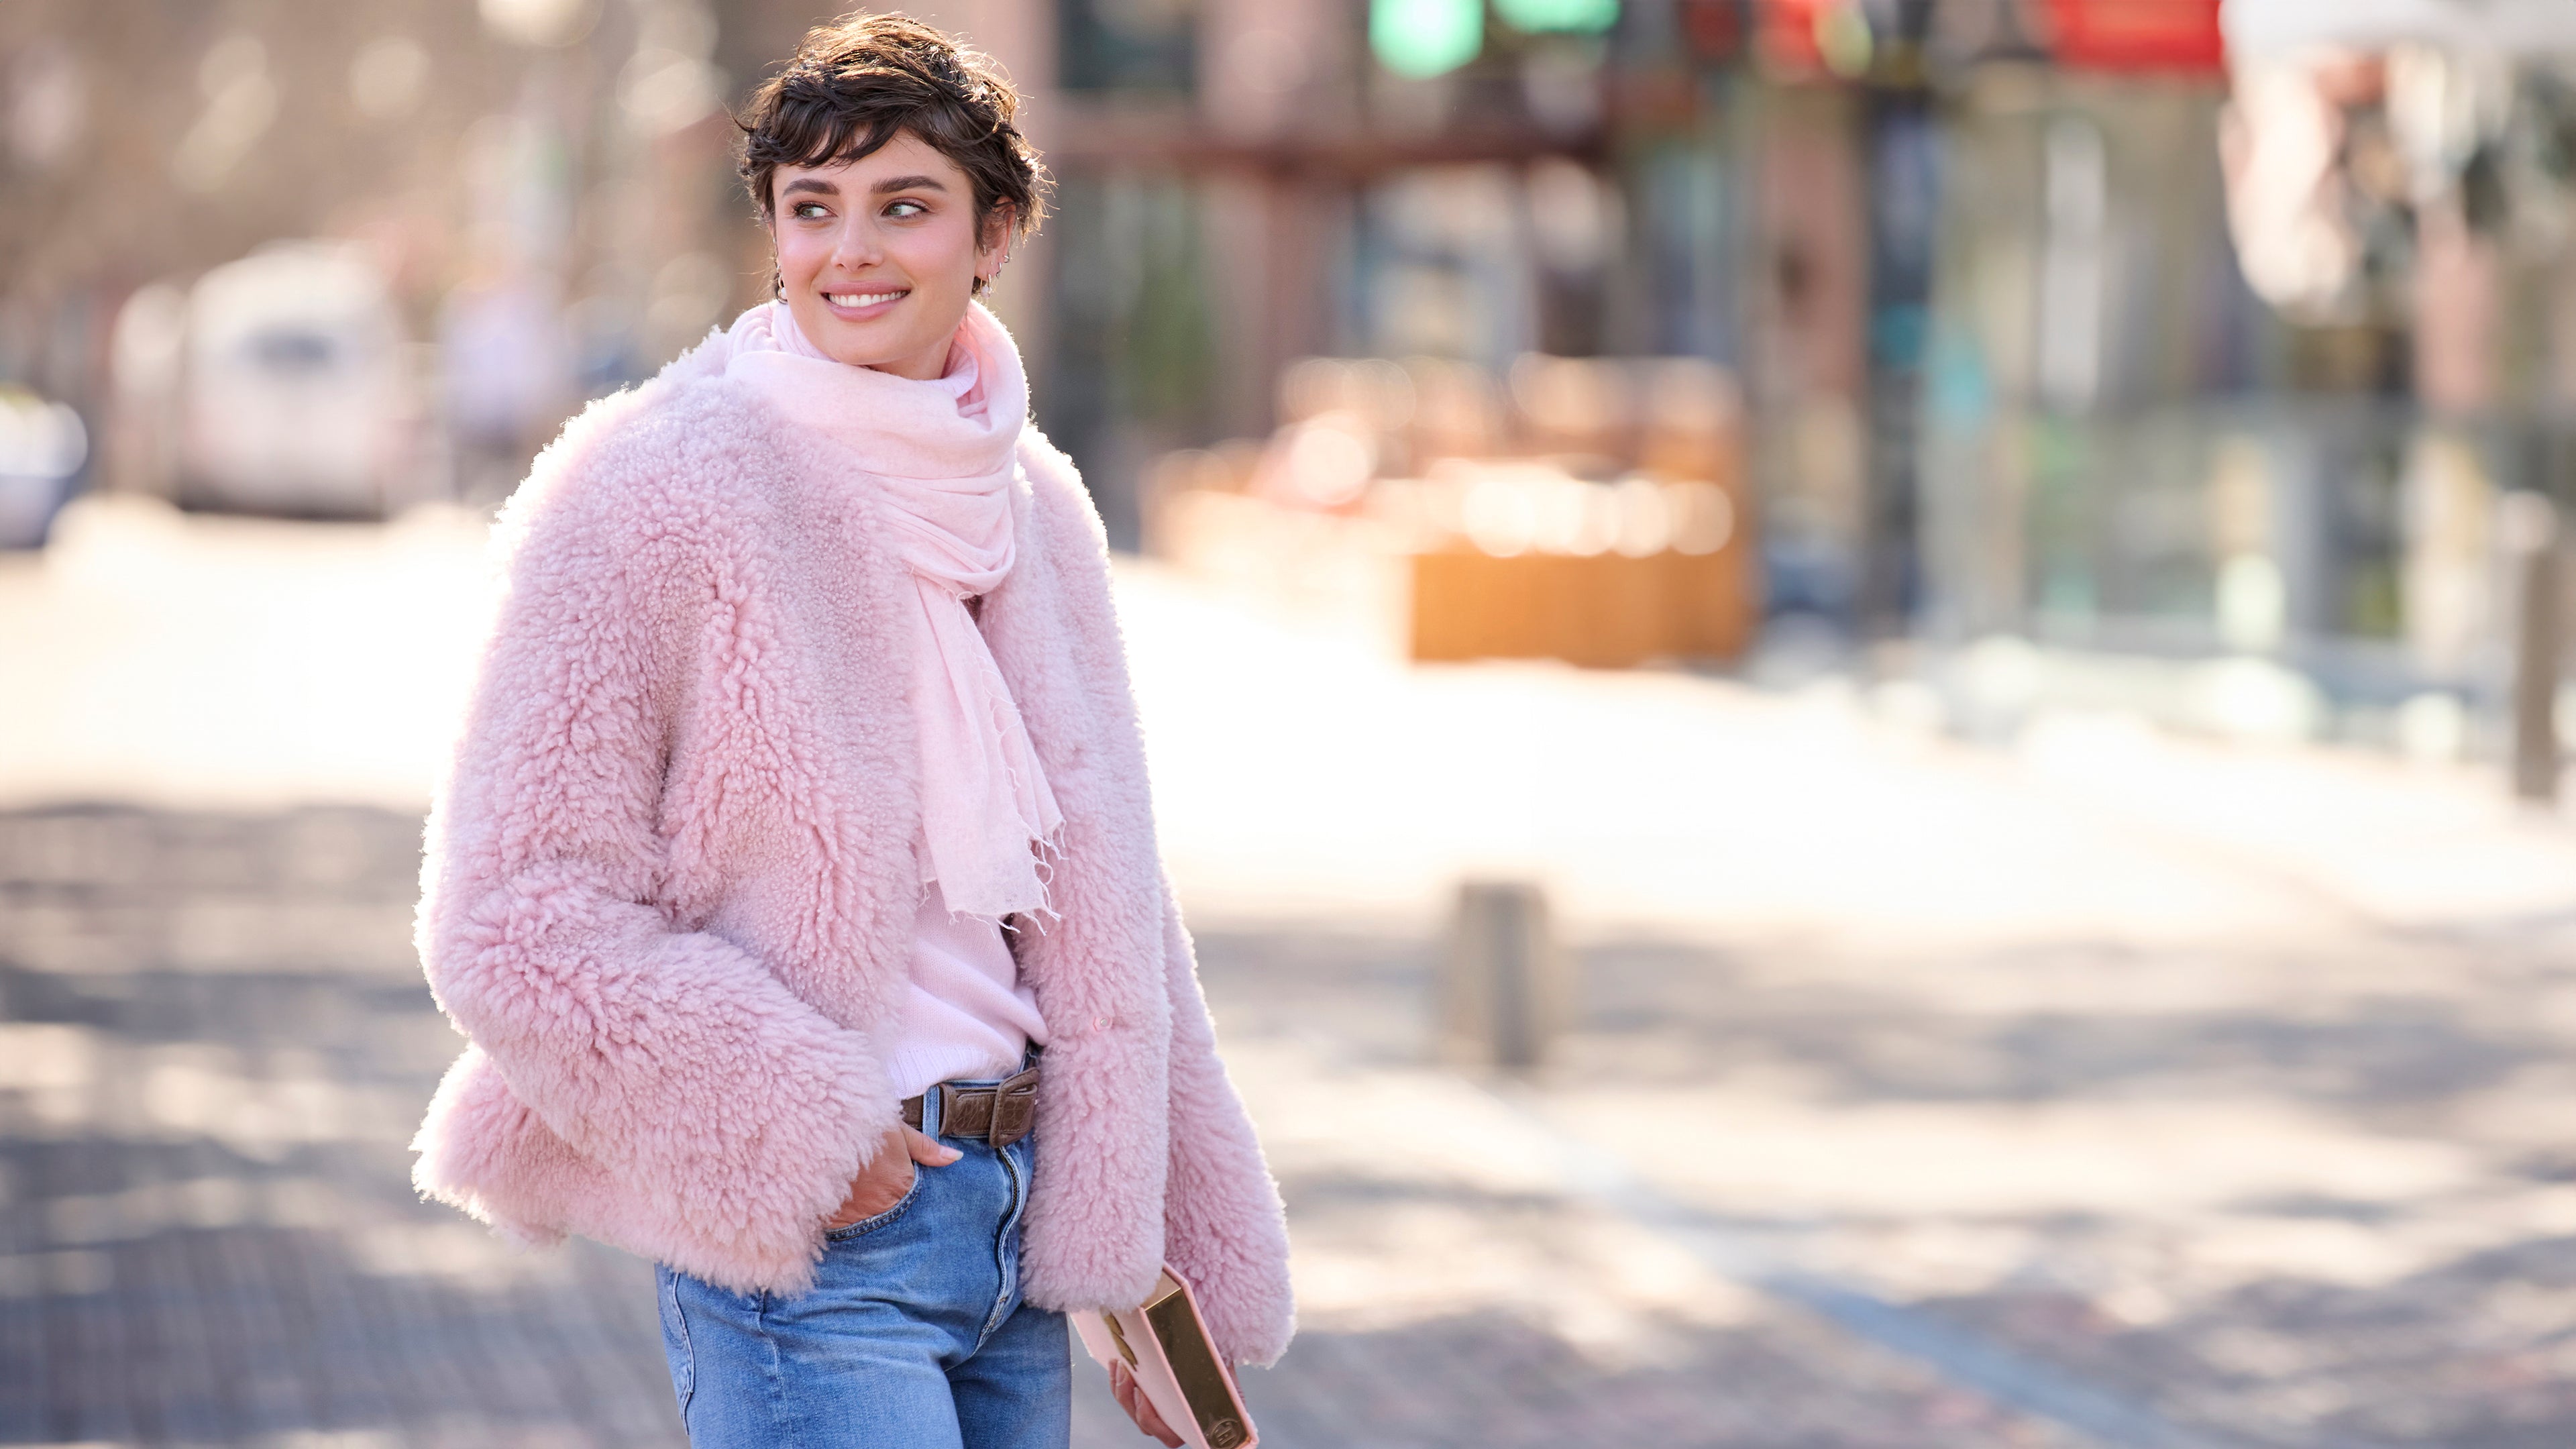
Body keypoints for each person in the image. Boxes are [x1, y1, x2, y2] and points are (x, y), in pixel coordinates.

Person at [407, 13, 1294, 1448]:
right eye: (812, 208)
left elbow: (1113, 906)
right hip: (822, 1239)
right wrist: (804, 1135)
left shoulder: (1034, 504)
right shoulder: (653, 487)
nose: (851, 251)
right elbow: (512, 916)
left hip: (1020, 1233)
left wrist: (1152, 1246)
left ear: (995, 232)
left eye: (904, 206)